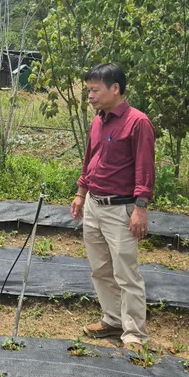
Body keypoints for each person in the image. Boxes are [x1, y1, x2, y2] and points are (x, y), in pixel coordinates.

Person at [69, 63, 155, 352]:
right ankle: (113, 319)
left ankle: (134, 335)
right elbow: (89, 159)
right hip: (94, 204)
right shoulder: (98, 120)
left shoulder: (137, 122)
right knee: (101, 269)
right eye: (88, 90)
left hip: (120, 209)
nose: (90, 96)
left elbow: (144, 169)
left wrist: (140, 208)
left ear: (115, 88)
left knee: (126, 273)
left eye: (95, 90)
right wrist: (81, 194)